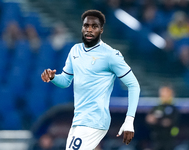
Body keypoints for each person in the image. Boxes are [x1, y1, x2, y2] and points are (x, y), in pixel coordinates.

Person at [41, 10, 140, 150]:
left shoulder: (110, 55)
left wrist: (129, 120)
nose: (89, 29)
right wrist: (53, 77)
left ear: (101, 30)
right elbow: (65, 81)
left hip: (95, 120)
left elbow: (134, 85)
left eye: (94, 26)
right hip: (79, 119)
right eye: (86, 25)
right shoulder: (75, 51)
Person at [145, 85, 180, 150]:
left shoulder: (173, 108)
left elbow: (167, 123)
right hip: (156, 139)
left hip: (169, 140)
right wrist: (160, 121)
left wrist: (157, 120)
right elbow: (149, 119)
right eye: (162, 93)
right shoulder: (157, 107)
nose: (163, 95)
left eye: (166, 93)